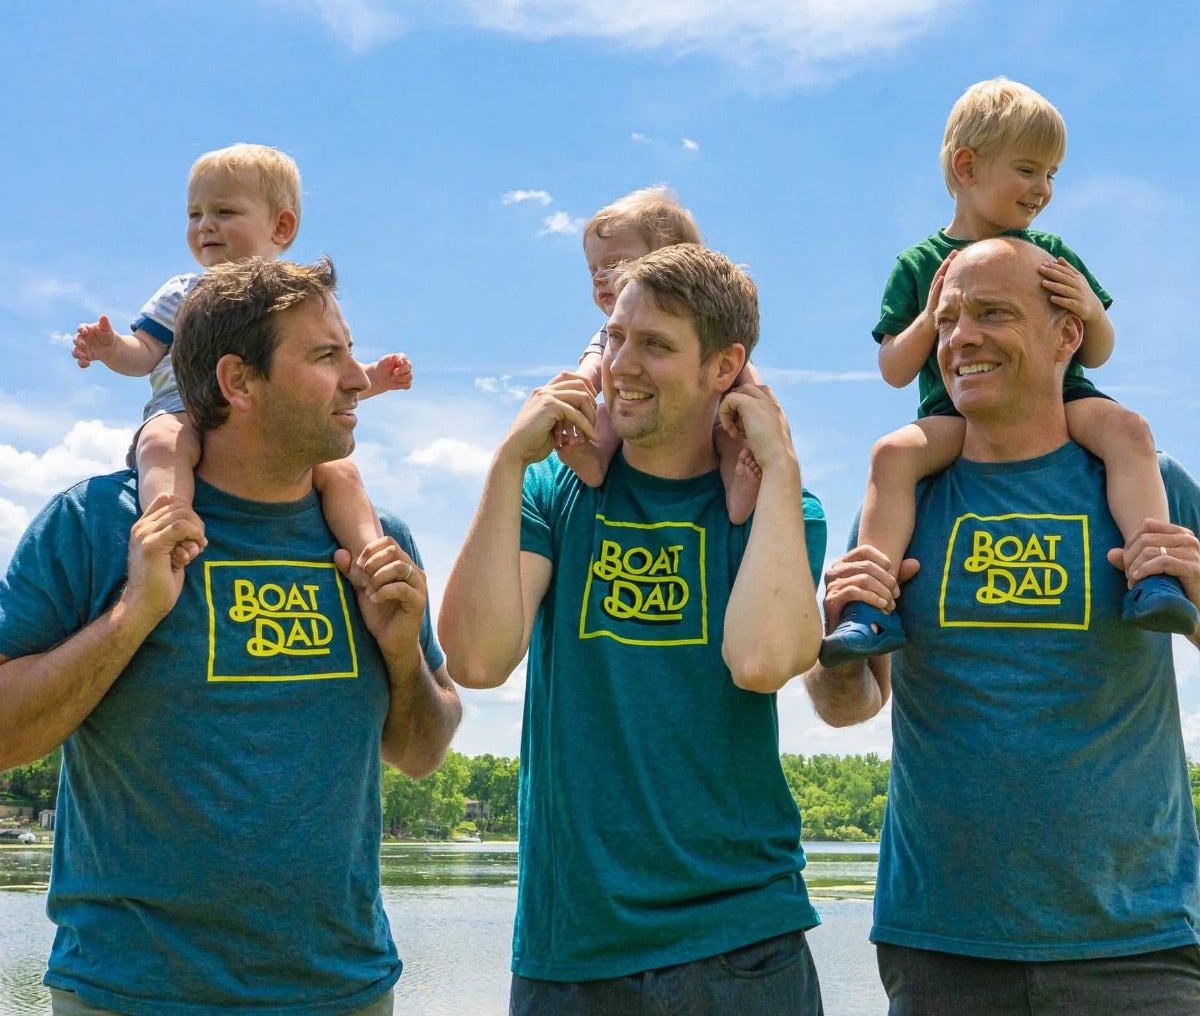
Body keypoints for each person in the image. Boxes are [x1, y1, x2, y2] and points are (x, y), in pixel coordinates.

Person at [0, 256, 461, 1015]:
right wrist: (132, 616)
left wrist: (403, 651)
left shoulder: (381, 543)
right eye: (325, 356)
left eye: (350, 351)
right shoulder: (93, 527)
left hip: (343, 991)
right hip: (130, 994)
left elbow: (420, 751)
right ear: (239, 382)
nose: (356, 379)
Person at [806, 237, 1200, 1015]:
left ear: (1067, 336)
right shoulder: (904, 499)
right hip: (939, 943)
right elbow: (847, 704)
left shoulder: (1147, 484)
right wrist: (831, 654)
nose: (961, 339)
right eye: (949, 320)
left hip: (1137, 942)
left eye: (993, 314)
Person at [440, 243, 828, 1015]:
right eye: (616, 337)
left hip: (741, 943)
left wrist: (780, 466)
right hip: (571, 948)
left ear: (725, 368)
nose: (621, 364)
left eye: (655, 345)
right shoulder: (555, 492)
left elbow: (759, 660)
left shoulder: (777, 510)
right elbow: (478, 659)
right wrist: (508, 464)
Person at [821, 78, 1196, 666]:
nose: (1042, 189)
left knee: (1129, 433)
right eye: (1028, 170)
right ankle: (868, 607)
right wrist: (932, 315)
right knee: (892, 455)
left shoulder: (1051, 251)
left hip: (1063, 400)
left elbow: (1095, 352)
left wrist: (1088, 306)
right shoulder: (920, 263)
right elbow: (895, 370)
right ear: (967, 166)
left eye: (1051, 175)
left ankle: (1155, 575)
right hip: (954, 416)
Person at [71, 142, 412, 567]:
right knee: (161, 442)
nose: (205, 226)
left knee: (339, 470)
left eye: (224, 212)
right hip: (181, 410)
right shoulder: (183, 292)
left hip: (275, 429)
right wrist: (111, 348)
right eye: (195, 215)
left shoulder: (299, 301)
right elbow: (143, 354)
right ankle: (167, 529)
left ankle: (368, 557)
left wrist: (376, 376)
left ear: (281, 227)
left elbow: (327, 378)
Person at [556, 185, 763, 523]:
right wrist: (576, 389)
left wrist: (758, 413)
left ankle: (738, 489)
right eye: (592, 269)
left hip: (712, 423)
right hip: (639, 417)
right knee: (606, 415)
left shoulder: (711, 331)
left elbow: (751, 387)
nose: (598, 279)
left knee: (735, 439)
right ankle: (594, 459)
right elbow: (594, 368)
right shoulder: (610, 330)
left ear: (670, 257)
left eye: (614, 263)